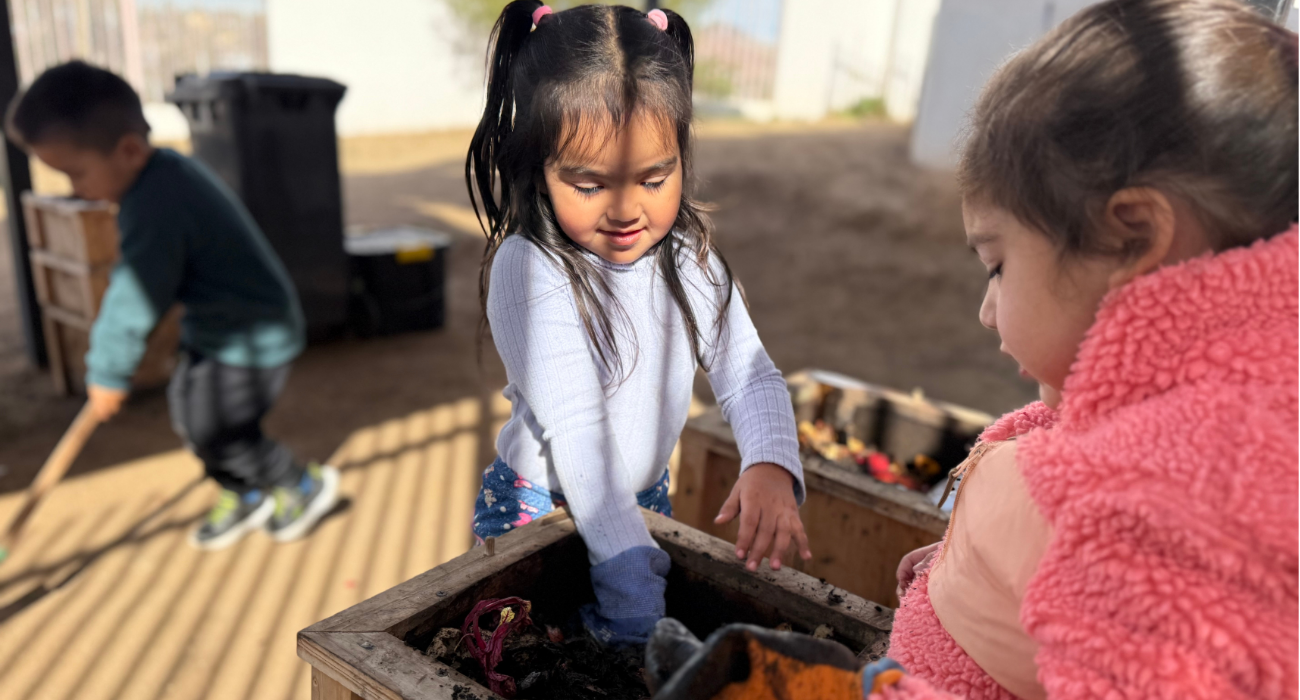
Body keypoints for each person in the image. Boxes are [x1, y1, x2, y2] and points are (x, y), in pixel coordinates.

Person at [879, 0, 1297, 698]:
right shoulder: (1205, 418)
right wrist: (974, 567)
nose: (987, 312)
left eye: (998, 264)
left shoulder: (1165, 509)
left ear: (1132, 237)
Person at [467, 2, 810, 646]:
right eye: (588, 185)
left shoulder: (690, 260)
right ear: (537, 167)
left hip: (642, 496)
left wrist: (769, 461)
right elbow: (579, 431)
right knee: (536, 656)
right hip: (541, 507)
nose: (627, 211)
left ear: (681, 153)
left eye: (655, 177)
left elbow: (747, 371)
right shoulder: (529, 267)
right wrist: (630, 585)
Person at [6, 62, 339, 551]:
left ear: (128, 150)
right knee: (190, 413)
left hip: (253, 335)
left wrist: (107, 370)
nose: (74, 190)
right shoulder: (154, 181)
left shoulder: (157, 202)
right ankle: (242, 491)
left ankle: (298, 483)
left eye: (75, 174)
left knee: (221, 428)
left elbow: (135, 294)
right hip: (216, 329)